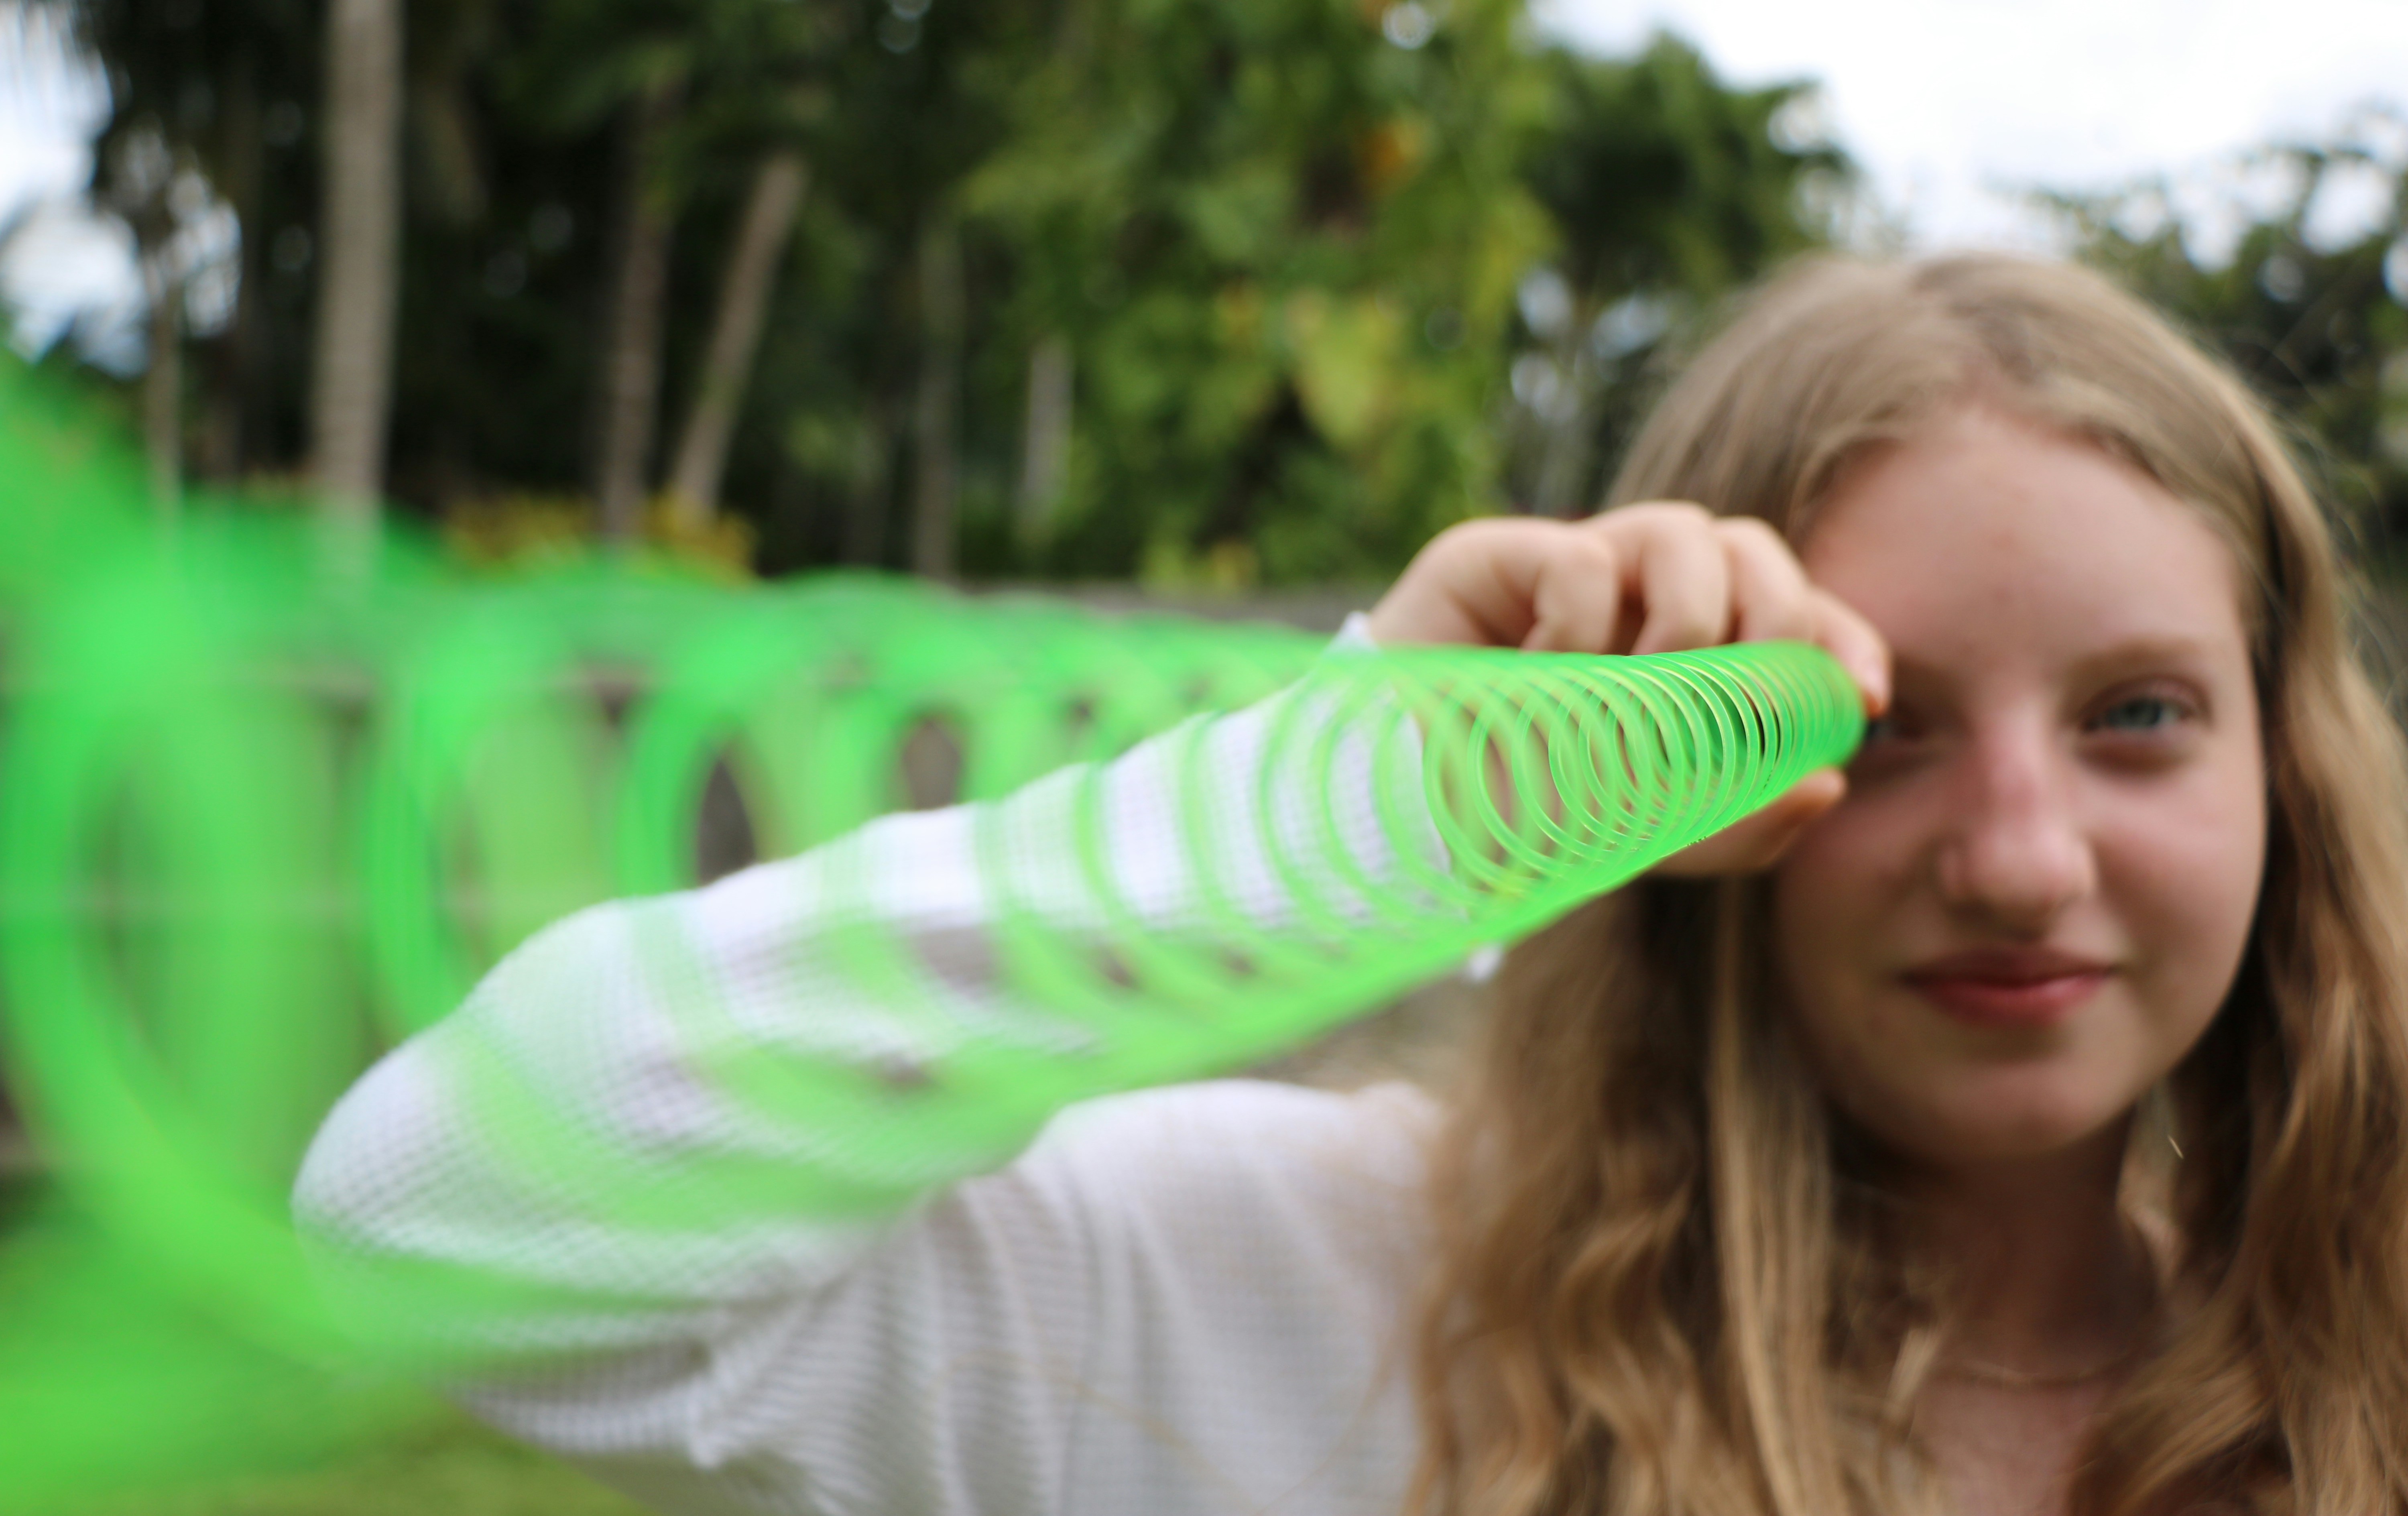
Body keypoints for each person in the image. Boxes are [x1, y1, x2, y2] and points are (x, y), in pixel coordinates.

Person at [293, 253, 2408, 1516]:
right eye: (1888, 725)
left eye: (2140, 714)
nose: (2022, 859)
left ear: (2284, 775)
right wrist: (1357, 794)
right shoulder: (1302, 1301)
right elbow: (451, 1220)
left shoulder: (2367, 1378)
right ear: (1672, 778)